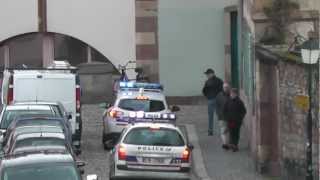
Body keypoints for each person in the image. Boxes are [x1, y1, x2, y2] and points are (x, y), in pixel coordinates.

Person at [202, 68, 223, 136]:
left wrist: (207, 97)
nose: (207, 75)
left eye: (208, 74)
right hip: (218, 100)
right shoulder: (219, 81)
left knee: (211, 116)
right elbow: (222, 90)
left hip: (211, 100)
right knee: (219, 116)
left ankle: (210, 131)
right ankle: (220, 131)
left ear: (212, 74)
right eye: (207, 74)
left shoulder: (208, 82)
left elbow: (204, 90)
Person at [215, 83, 231, 150]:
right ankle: (225, 144)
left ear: (229, 87)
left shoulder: (232, 95)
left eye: (227, 87)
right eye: (224, 87)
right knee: (223, 130)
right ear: (222, 88)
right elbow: (217, 106)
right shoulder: (219, 95)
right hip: (222, 117)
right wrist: (218, 114)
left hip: (231, 117)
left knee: (229, 130)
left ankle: (229, 143)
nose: (226, 88)